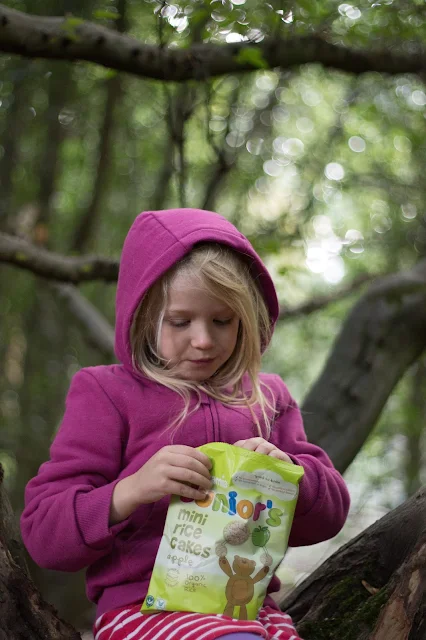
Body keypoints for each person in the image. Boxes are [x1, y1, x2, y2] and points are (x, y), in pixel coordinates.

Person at [21, 208, 350, 640]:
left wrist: (290, 477)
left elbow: (328, 516)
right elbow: (44, 532)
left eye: (222, 320)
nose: (204, 340)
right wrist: (131, 490)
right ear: (143, 317)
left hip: (249, 609)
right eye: (180, 321)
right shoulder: (106, 393)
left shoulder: (266, 398)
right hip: (143, 611)